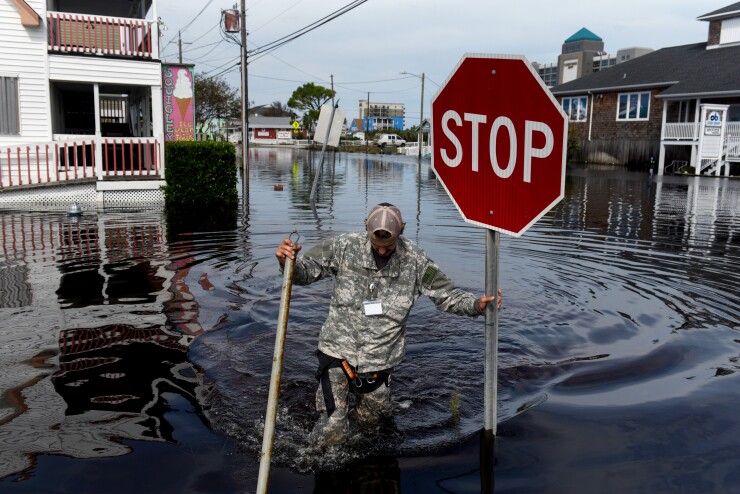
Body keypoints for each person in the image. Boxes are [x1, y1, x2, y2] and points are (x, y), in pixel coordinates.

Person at [275, 203, 502, 445]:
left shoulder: (416, 261)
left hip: (379, 361)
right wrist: (287, 262)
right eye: (377, 246)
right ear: (366, 227)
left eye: (388, 246)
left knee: (370, 429)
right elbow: (303, 273)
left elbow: (446, 296)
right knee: (334, 426)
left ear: (402, 230)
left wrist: (477, 305)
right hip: (337, 351)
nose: (382, 252)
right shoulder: (342, 246)